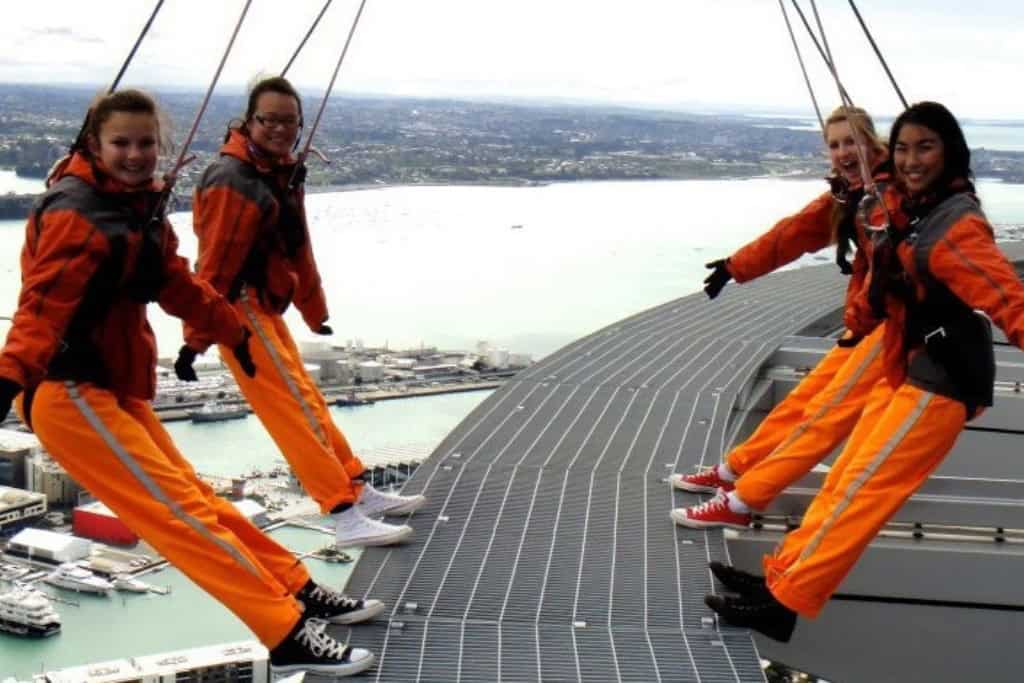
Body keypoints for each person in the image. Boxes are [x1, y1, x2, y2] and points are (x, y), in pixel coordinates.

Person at [0, 90, 379, 677]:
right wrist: (7, 377)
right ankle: (284, 633)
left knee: (199, 502)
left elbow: (177, 283)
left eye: (146, 143)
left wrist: (231, 332)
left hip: (111, 387)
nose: (135, 154)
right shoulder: (79, 214)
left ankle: (296, 587)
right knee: (182, 520)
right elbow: (41, 310)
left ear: (162, 144)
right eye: (121, 143)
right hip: (67, 392)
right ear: (94, 145)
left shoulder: (131, 206)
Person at [705, 101, 1024, 643]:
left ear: (949, 152)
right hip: (910, 368)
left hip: (940, 382)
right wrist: (742, 265)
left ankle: (784, 605)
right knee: (845, 483)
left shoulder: (955, 225)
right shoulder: (912, 206)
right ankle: (780, 579)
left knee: (858, 495)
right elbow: (832, 231)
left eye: (925, 147)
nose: (911, 159)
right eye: (903, 148)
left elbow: (1009, 301)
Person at [177, 76, 424, 548]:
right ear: (249, 121)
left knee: (308, 402)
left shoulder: (273, 173)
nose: (280, 128)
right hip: (239, 310)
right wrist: (196, 337)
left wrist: (314, 310)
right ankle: (342, 512)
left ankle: (354, 488)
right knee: (293, 413)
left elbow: (297, 249)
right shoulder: (235, 179)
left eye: (289, 120)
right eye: (269, 119)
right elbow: (214, 265)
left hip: (262, 307)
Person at [670, 106, 888, 529]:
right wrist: (736, 266)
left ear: (871, 143)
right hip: (870, 322)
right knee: (804, 401)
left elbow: (890, 274)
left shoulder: (884, 197)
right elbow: (794, 233)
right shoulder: (853, 193)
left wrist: (860, 318)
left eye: (851, 142)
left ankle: (742, 501)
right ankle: (736, 470)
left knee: (824, 414)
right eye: (835, 144)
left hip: (894, 327)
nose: (843, 152)